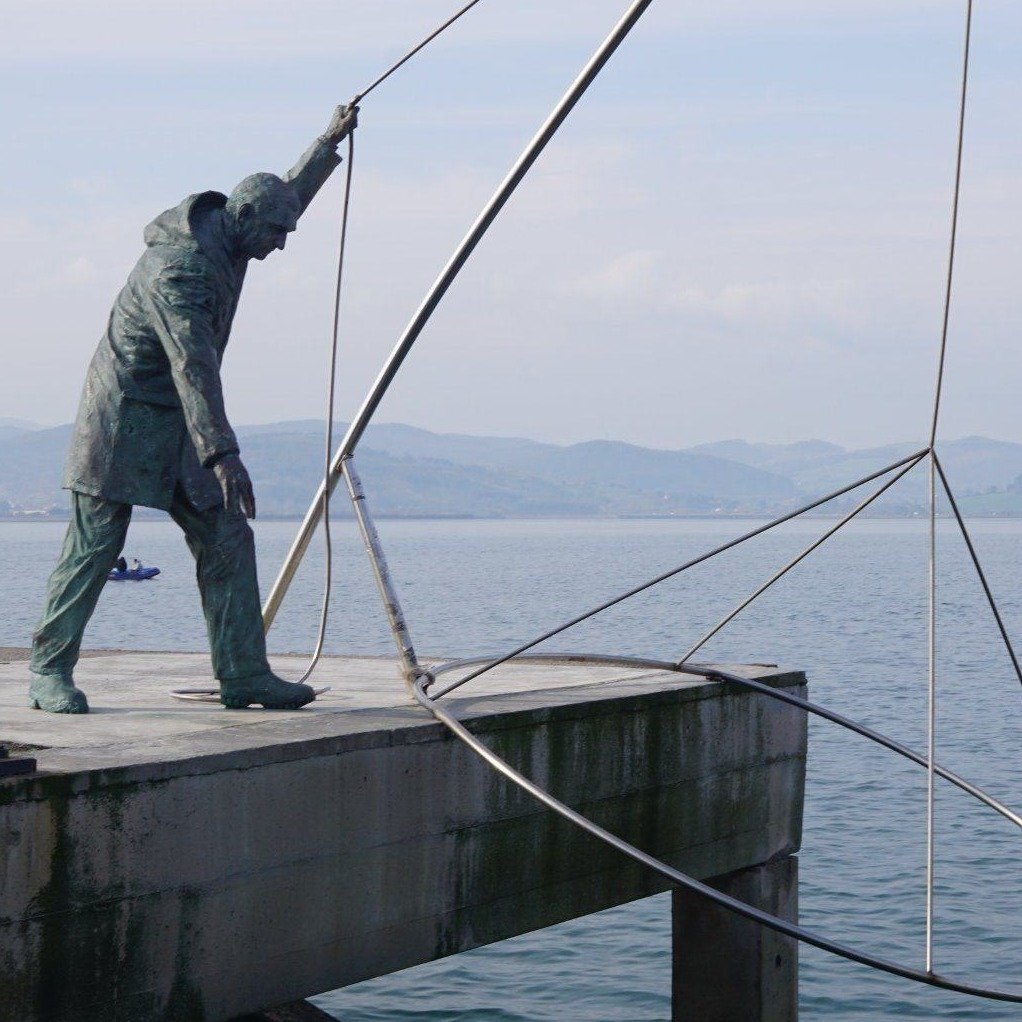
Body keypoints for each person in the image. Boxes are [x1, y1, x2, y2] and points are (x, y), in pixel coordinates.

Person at [28, 104, 358, 714]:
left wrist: (327, 143)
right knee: (96, 543)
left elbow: (287, 197)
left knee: (228, 536)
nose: (282, 246)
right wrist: (224, 453)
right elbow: (193, 365)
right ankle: (49, 669)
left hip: (183, 423)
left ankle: (244, 674)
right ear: (244, 217)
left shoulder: (238, 232)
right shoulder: (180, 269)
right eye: (278, 234)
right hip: (123, 419)